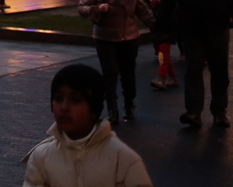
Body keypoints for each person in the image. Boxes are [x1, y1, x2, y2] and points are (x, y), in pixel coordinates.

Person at [20, 63, 153, 187]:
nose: (64, 107)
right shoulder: (41, 157)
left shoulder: (123, 160)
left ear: (94, 109)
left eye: (75, 100)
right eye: (58, 98)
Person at [159, 0, 233, 128]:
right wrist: (164, 27)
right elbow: (168, 1)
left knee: (219, 72)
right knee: (194, 70)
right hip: (191, 29)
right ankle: (193, 111)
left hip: (217, 28)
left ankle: (219, 111)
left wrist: (228, 14)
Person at [78, 0, 154, 125]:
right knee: (110, 73)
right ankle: (112, 108)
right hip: (105, 38)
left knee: (128, 73)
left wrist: (156, 26)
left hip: (129, 37)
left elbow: (142, 10)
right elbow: (82, 7)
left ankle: (129, 105)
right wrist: (97, 8)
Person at [147, 0, 177, 91]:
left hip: (164, 35)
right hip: (161, 35)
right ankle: (172, 77)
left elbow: (163, 22)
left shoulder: (161, 8)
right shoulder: (159, 7)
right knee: (164, 57)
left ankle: (162, 78)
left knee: (162, 58)